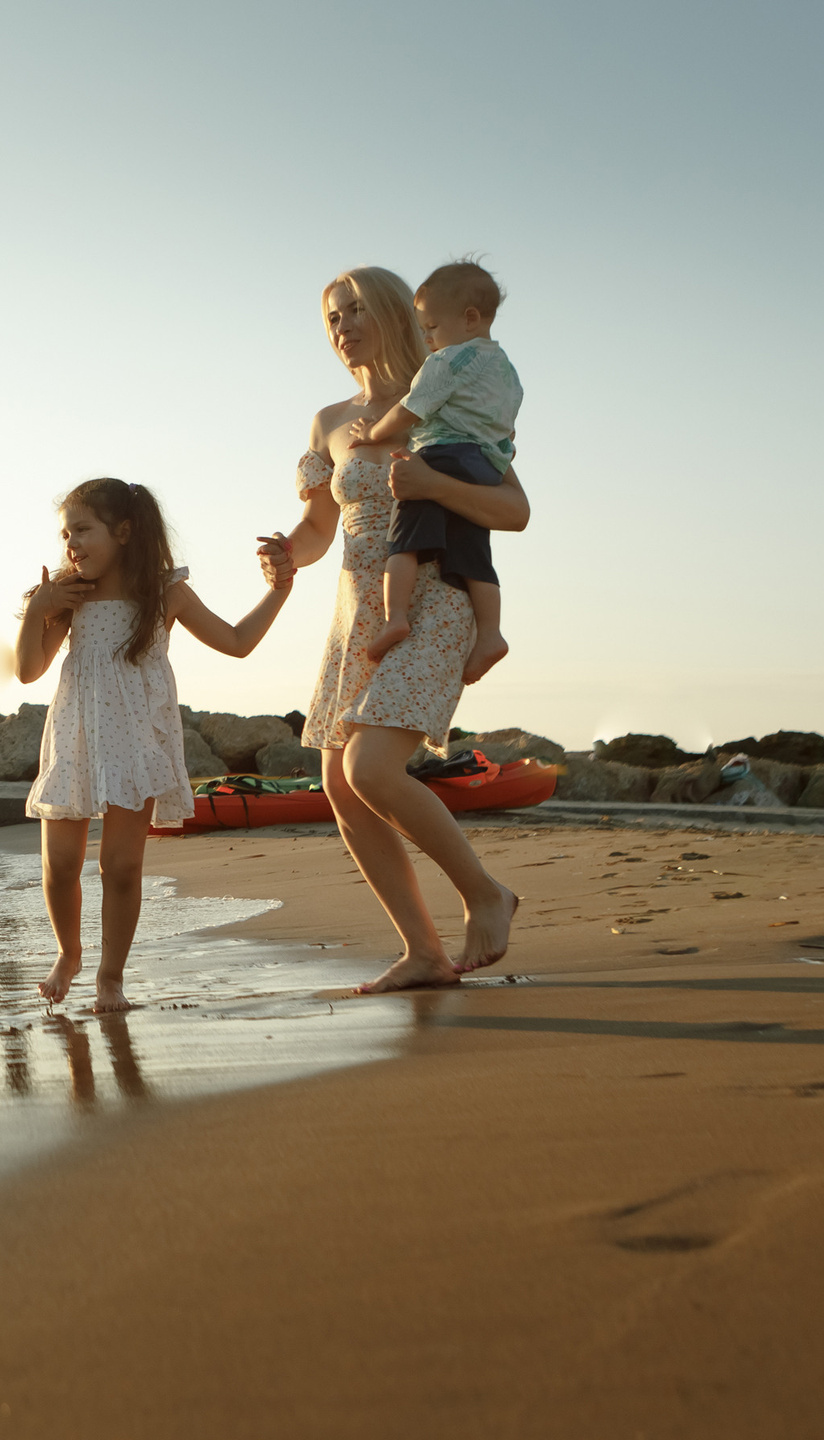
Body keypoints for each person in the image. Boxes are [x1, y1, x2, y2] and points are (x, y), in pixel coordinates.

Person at [260, 267, 526, 994]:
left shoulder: (447, 393)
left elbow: (513, 509)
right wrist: (288, 554)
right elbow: (322, 527)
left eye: (353, 311)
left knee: (370, 769)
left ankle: (486, 894)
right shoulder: (329, 423)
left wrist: (435, 485)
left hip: (435, 598)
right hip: (357, 613)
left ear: (390, 313)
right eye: (330, 318)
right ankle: (424, 953)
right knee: (342, 790)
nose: (341, 328)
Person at [16, 477, 294, 1012]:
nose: (71, 543)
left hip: (137, 741)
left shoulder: (165, 592)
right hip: (77, 736)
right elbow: (28, 671)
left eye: (82, 529)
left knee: (120, 867)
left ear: (124, 531)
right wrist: (37, 608)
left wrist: (278, 591)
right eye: (65, 533)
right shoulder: (69, 595)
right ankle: (68, 953)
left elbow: (236, 643)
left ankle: (110, 976)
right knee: (60, 864)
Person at [347, 260, 521, 684]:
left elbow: (409, 410)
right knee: (473, 551)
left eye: (431, 328)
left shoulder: (446, 362)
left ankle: (396, 616)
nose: (427, 338)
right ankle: (492, 634)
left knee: (403, 538)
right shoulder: (507, 370)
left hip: (443, 454)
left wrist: (373, 432)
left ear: (469, 319)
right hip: (486, 462)